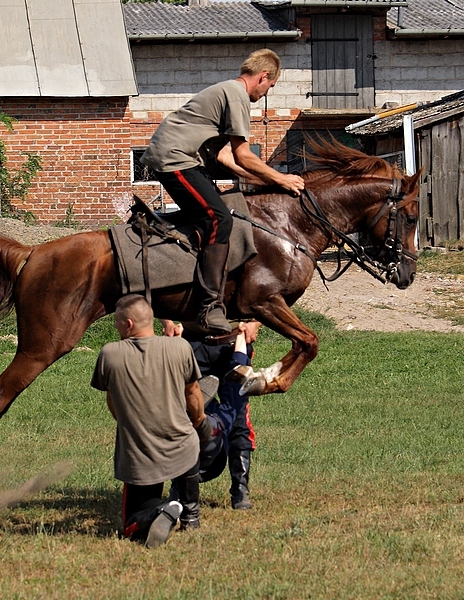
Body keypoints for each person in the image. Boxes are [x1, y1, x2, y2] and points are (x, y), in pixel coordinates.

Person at [141, 49, 305, 335]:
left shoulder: (225, 92)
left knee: (217, 210)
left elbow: (225, 158)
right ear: (264, 76)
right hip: (174, 158)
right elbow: (243, 155)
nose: (267, 93)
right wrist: (281, 179)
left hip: (180, 156)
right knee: (219, 219)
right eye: (271, 86)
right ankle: (208, 305)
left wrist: (264, 181)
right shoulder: (237, 95)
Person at [90, 294, 211, 548]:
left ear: (128, 324)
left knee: (131, 527)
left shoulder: (110, 354)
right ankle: (191, 515)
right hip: (183, 451)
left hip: (141, 456)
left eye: (117, 324)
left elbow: (113, 402)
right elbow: (193, 394)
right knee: (189, 441)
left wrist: (129, 424)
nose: (116, 328)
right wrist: (200, 424)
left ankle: (160, 510)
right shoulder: (181, 347)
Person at [163, 319, 261, 510]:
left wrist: (255, 323)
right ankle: (179, 487)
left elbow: (267, 295)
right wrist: (167, 321)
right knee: (188, 417)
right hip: (192, 342)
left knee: (238, 416)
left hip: (231, 342)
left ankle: (240, 488)